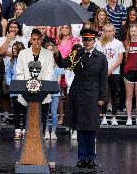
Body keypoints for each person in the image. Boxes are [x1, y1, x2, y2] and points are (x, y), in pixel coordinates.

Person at [64, 29, 107, 169]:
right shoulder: (76, 54)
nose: (87, 42)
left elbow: (103, 79)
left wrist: (102, 97)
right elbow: (64, 63)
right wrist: (57, 54)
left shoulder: (100, 57)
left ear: (94, 41)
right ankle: (82, 157)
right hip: (79, 93)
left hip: (94, 94)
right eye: (85, 40)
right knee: (81, 127)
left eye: (89, 40)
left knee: (92, 127)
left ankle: (91, 157)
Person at [16, 29, 54, 133]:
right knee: (27, 125)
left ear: (42, 40)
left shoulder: (48, 54)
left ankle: (40, 148)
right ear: (30, 40)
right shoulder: (23, 54)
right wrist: (28, 86)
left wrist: (39, 86)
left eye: (38, 39)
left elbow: (49, 73)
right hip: (25, 95)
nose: (36, 41)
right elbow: (20, 73)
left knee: (41, 125)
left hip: (43, 95)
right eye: (34, 39)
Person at [0, 19, 28, 123]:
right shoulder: (2, 39)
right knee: (5, 93)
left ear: (19, 28)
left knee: (19, 96)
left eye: (15, 27)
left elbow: (23, 54)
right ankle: (6, 116)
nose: (13, 29)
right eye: (11, 27)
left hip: (17, 71)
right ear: (8, 28)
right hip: (4, 69)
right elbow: (0, 52)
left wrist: (8, 52)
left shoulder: (23, 39)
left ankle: (20, 117)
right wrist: (8, 40)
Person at [95, 24, 125, 126]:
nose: (107, 33)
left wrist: (111, 69)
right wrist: (104, 70)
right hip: (103, 73)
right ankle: (103, 116)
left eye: (109, 31)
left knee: (114, 94)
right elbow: (98, 58)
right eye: (106, 31)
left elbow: (120, 59)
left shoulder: (118, 43)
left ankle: (114, 116)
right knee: (104, 95)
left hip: (115, 72)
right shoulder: (100, 43)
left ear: (113, 32)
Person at [123, 24, 137, 126]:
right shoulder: (125, 43)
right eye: (131, 31)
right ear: (129, 32)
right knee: (129, 95)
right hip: (129, 71)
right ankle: (129, 117)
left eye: (135, 31)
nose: (133, 33)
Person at [5, 41, 26, 140]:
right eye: (12, 49)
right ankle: (17, 131)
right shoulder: (11, 61)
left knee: (25, 111)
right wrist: (10, 83)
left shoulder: (26, 61)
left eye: (15, 49)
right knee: (17, 111)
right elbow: (8, 74)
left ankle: (24, 130)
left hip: (24, 89)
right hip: (14, 90)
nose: (13, 51)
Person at [43, 43, 61, 140]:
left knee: (54, 112)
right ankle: (46, 131)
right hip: (45, 91)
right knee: (45, 112)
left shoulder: (58, 63)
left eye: (51, 50)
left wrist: (53, 87)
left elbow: (58, 78)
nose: (50, 52)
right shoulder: (42, 63)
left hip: (55, 91)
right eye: (48, 50)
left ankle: (53, 131)